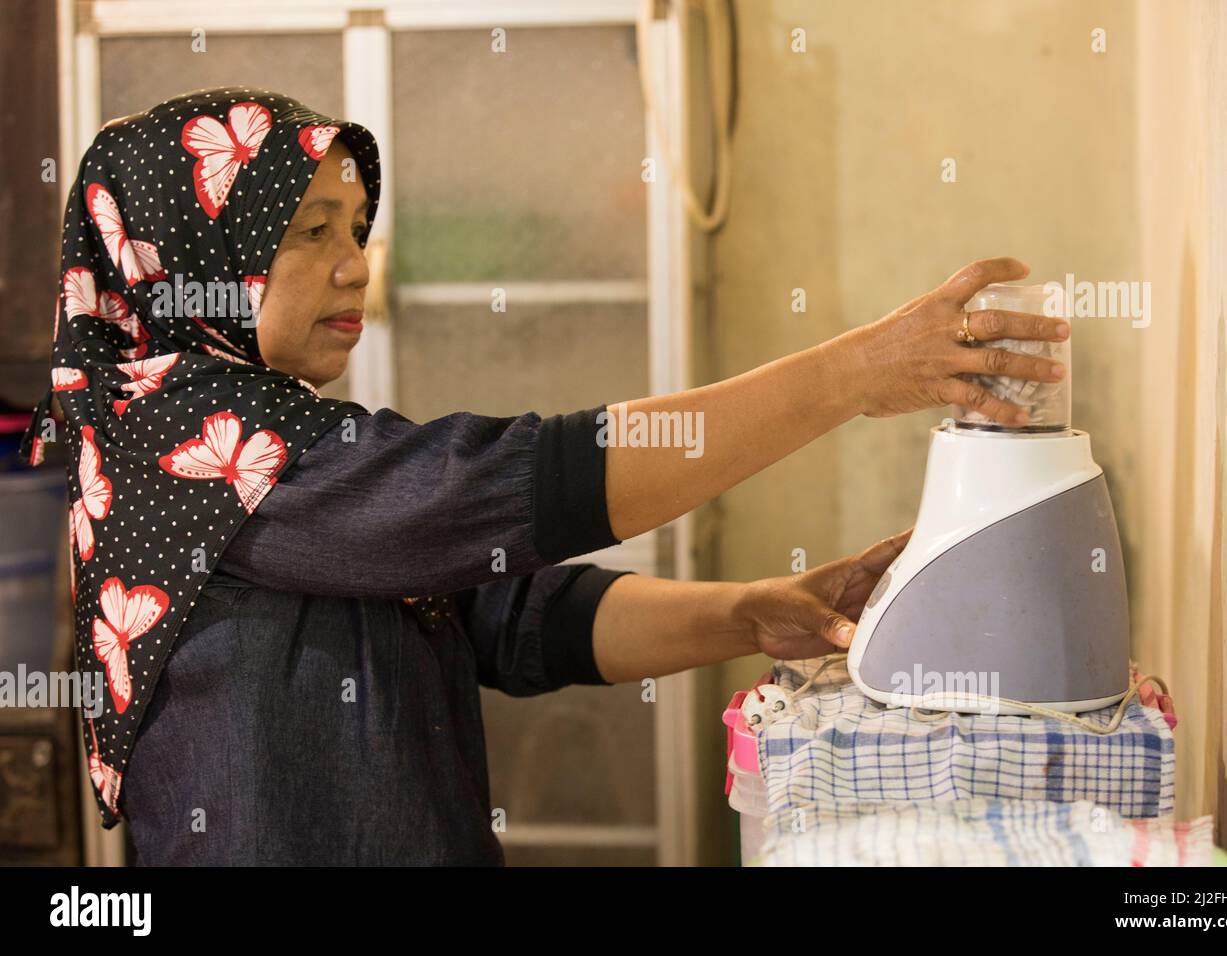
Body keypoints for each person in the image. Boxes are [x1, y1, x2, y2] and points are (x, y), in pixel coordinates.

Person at [22, 87, 1068, 865]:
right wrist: (842, 376)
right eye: (308, 233)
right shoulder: (180, 439)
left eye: (354, 227)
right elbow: (497, 490)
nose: (355, 264)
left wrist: (752, 613)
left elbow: (509, 612)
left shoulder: (266, 433)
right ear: (192, 250)